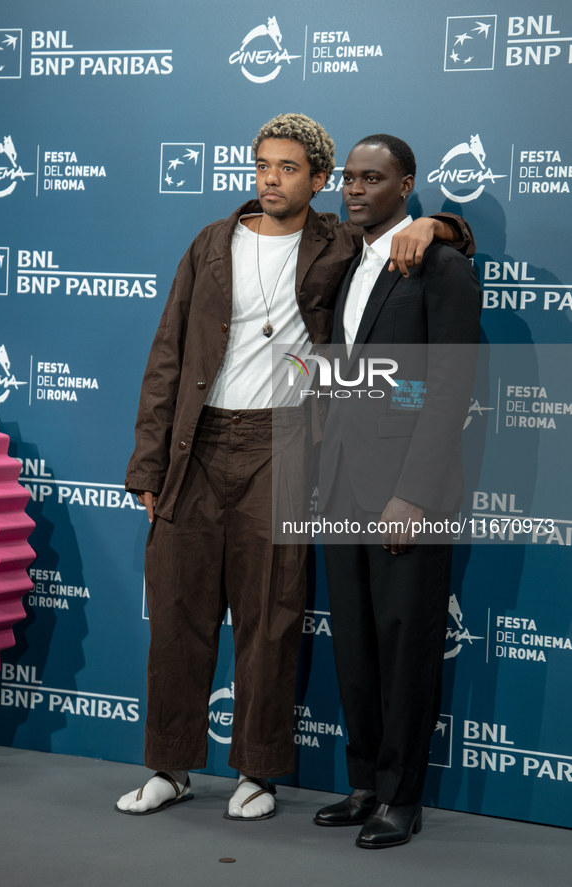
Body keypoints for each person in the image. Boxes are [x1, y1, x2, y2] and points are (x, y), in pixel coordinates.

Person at [115, 114, 473, 821]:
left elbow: (420, 242)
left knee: (271, 618)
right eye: (261, 166)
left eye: (286, 167)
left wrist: (443, 226)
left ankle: (258, 771)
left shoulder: (339, 241)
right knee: (179, 615)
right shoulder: (210, 244)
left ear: (314, 178)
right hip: (196, 447)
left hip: (283, 446)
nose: (270, 179)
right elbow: (166, 356)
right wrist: (147, 462)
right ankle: (169, 765)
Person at [314, 134, 481, 847]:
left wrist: (412, 493)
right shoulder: (341, 257)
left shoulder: (437, 266)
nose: (354, 189)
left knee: (406, 645)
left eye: (371, 178)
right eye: (348, 178)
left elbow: (447, 390)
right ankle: (363, 781)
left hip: (404, 493)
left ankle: (400, 797)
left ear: (405, 185)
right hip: (340, 485)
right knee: (354, 644)